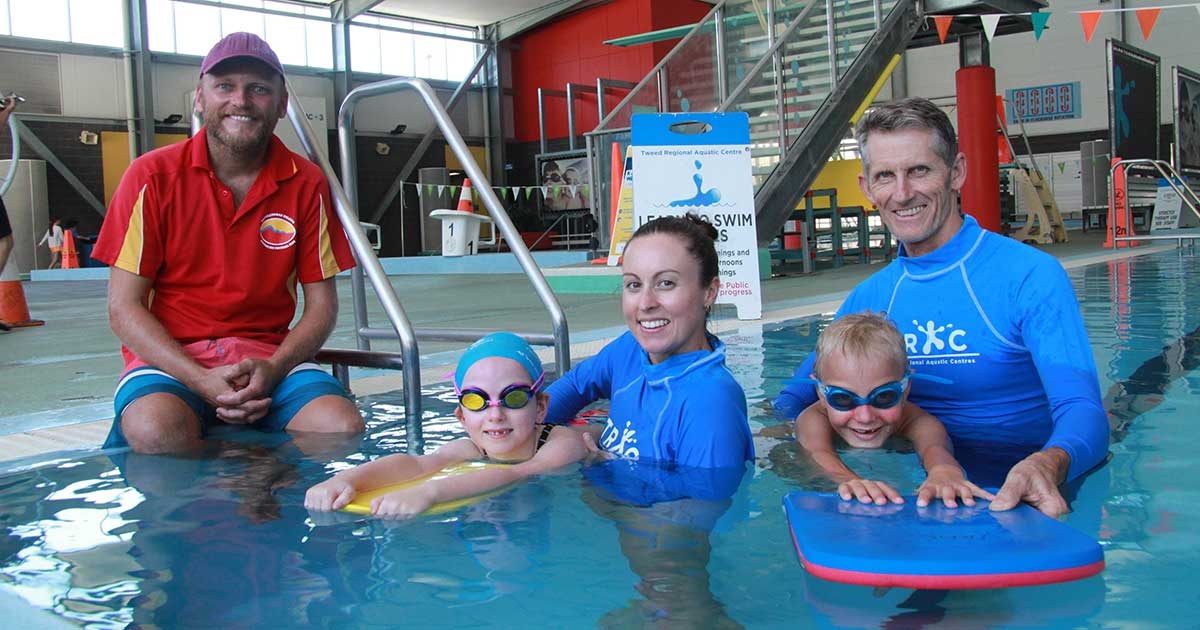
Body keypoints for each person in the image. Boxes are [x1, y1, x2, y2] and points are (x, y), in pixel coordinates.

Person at [774, 97, 1108, 517]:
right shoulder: (870, 298)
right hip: (909, 486)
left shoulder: (1029, 277)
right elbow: (793, 398)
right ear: (866, 187)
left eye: (919, 170)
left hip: (1019, 485)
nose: (902, 193)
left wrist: (1048, 462)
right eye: (885, 176)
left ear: (957, 173)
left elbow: (1084, 412)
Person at [91, 32, 363, 454]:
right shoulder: (152, 178)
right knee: (156, 432)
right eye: (225, 86)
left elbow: (323, 307)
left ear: (282, 104)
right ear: (200, 97)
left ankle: (262, 484)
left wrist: (274, 368)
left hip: (269, 355)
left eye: (259, 89)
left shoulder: (306, 182)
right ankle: (242, 481)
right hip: (173, 360)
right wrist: (198, 378)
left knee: (339, 426)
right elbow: (123, 308)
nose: (241, 100)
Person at [544, 213, 754, 468]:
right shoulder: (629, 349)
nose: (645, 303)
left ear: (709, 292)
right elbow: (572, 388)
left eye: (666, 283)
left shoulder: (711, 403)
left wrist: (607, 474)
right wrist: (526, 429)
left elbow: (703, 506)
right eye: (633, 284)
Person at [305, 332, 589, 519]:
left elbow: (521, 472)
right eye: (477, 400)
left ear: (540, 407)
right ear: (462, 417)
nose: (495, 414)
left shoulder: (562, 444)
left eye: (513, 397)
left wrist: (431, 492)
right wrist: (345, 479)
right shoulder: (473, 447)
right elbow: (418, 465)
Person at [794, 311, 991, 507]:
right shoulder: (813, 419)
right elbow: (817, 454)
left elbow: (934, 447)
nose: (865, 416)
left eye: (884, 396)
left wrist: (944, 471)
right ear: (820, 393)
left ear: (906, 389)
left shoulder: (917, 421)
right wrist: (848, 480)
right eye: (843, 399)